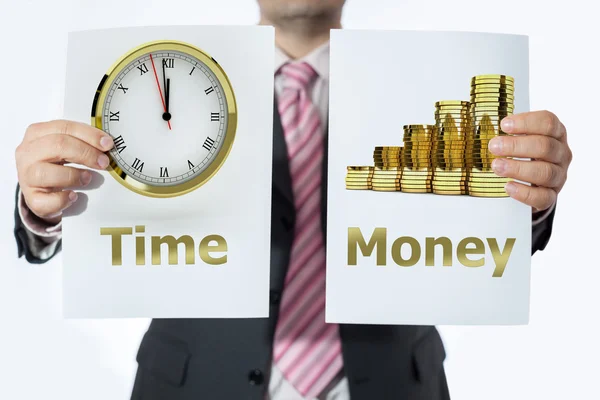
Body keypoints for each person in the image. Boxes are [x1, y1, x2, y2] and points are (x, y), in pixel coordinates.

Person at [13, 0, 572, 399]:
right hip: (193, 383)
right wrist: (45, 208)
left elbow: (471, 233)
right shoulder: (159, 89)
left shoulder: (428, 89)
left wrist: (527, 198)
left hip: (393, 383)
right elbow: (86, 221)